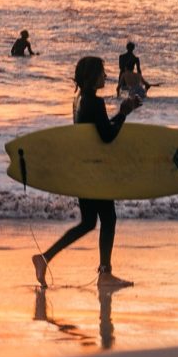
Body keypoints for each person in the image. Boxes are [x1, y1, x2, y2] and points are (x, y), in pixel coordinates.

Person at [32, 56, 141, 290]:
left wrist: (124, 113)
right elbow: (107, 136)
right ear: (93, 77)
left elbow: (97, 129)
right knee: (108, 219)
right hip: (95, 171)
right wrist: (123, 113)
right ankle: (105, 274)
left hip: (83, 168)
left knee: (89, 222)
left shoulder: (80, 100)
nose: (106, 76)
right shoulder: (95, 102)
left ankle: (44, 258)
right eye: (102, 72)